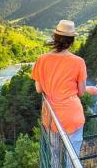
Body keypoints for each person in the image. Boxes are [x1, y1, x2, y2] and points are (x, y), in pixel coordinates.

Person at [32, 19, 87, 154]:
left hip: (51, 116)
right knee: (71, 160)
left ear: (55, 38)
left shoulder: (42, 59)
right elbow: (81, 92)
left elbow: (39, 89)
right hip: (72, 115)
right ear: (72, 41)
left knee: (55, 156)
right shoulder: (79, 62)